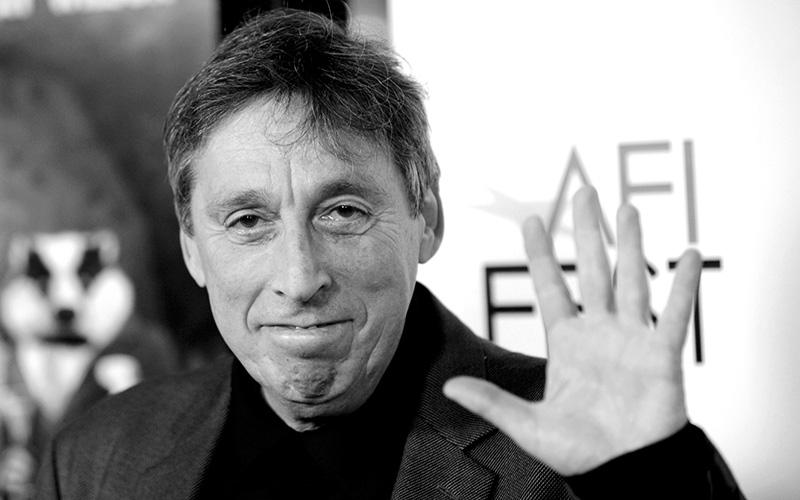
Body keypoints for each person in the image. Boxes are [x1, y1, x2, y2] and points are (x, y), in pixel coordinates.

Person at [34, 9, 744, 499]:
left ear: (426, 218)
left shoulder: (585, 455)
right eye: (248, 221)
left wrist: (651, 482)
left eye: (342, 212)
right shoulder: (97, 458)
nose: (299, 278)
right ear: (192, 247)